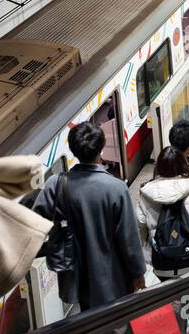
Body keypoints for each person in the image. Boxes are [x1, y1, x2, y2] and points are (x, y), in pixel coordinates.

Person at [33, 121, 147, 309]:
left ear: (73, 150)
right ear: (101, 149)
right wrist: (138, 273)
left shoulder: (56, 184)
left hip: (74, 275)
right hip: (111, 278)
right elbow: (129, 239)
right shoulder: (116, 189)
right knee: (113, 324)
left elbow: (34, 222)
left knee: (86, 319)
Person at [137, 146, 189, 280]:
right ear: (184, 165)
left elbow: (139, 229)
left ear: (159, 167)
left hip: (161, 262)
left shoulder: (146, 195)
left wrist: (143, 253)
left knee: (170, 294)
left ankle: (176, 301)